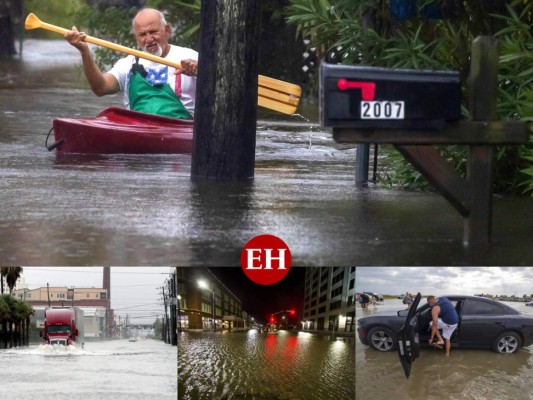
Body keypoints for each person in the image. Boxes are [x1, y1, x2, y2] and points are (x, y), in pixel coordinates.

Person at [64, 8, 198, 118]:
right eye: (142, 34)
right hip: (138, 129)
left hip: (180, 129)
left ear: (167, 30)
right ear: (136, 37)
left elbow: (216, 87)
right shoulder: (128, 63)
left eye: (153, 32)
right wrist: (84, 51)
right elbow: (101, 88)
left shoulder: (190, 57)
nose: (149, 39)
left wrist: (199, 71)